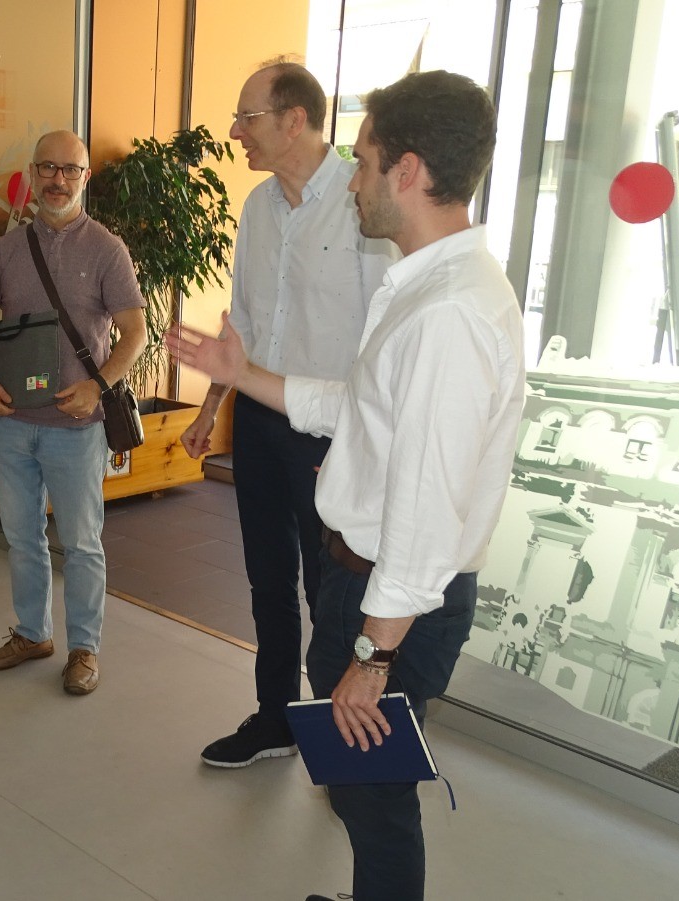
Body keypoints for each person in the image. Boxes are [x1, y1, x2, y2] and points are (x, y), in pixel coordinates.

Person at [167, 71, 524, 901]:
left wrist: (373, 655)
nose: (352, 182)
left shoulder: (446, 314)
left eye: (362, 163)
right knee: (365, 786)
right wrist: (239, 374)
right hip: (361, 583)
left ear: (407, 171)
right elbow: (352, 404)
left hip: (391, 602)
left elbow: (428, 511)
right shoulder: (427, 287)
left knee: (374, 794)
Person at [185, 61, 395, 768]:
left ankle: (342, 736)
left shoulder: (363, 203)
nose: (235, 132)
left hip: (330, 431)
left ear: (294, 120)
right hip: (259, 419)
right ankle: (275, 718)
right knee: (267, 578)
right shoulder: (258, 207)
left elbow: (381, 339)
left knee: (331, 588)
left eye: (247, 118)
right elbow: (241, 323)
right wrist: (211, 409)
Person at [0, 130, 147, 695]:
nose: (58, 180)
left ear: (86, 177)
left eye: (70, 170)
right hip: (12, 427)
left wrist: (98, 385)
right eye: (47, 168)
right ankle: (33, 634)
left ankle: (84, 649)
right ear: (33, 175)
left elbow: (135, 332)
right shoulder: (8, 250)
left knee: (82, 544)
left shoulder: (107, 249)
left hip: (77, 431)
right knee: (23, 539)